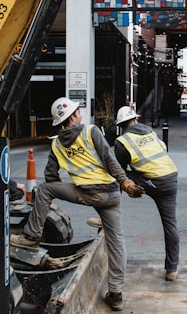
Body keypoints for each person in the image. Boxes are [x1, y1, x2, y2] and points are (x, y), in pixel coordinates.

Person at [10, 97, 144, 311]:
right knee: (117, 241)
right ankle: (116, 294)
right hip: (111, 194)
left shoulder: (56, 144)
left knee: (45, 189)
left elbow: (51, 177)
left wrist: (71, 187)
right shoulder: (91, 132)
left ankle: (31, 236)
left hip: (87, 194)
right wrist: (125, 182)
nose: (80, 114)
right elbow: (110, 160)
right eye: (78, 112)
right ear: (72, 117)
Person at [113, 106, 180, 282]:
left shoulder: (122, 141)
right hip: (171, 177)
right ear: (135, 120)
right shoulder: (151, 132)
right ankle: (172, 269)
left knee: (117, 176)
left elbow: (119, 171)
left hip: (152, 181)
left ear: (121, 125)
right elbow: (163, 149)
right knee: (170, 224)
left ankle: (111, 211)